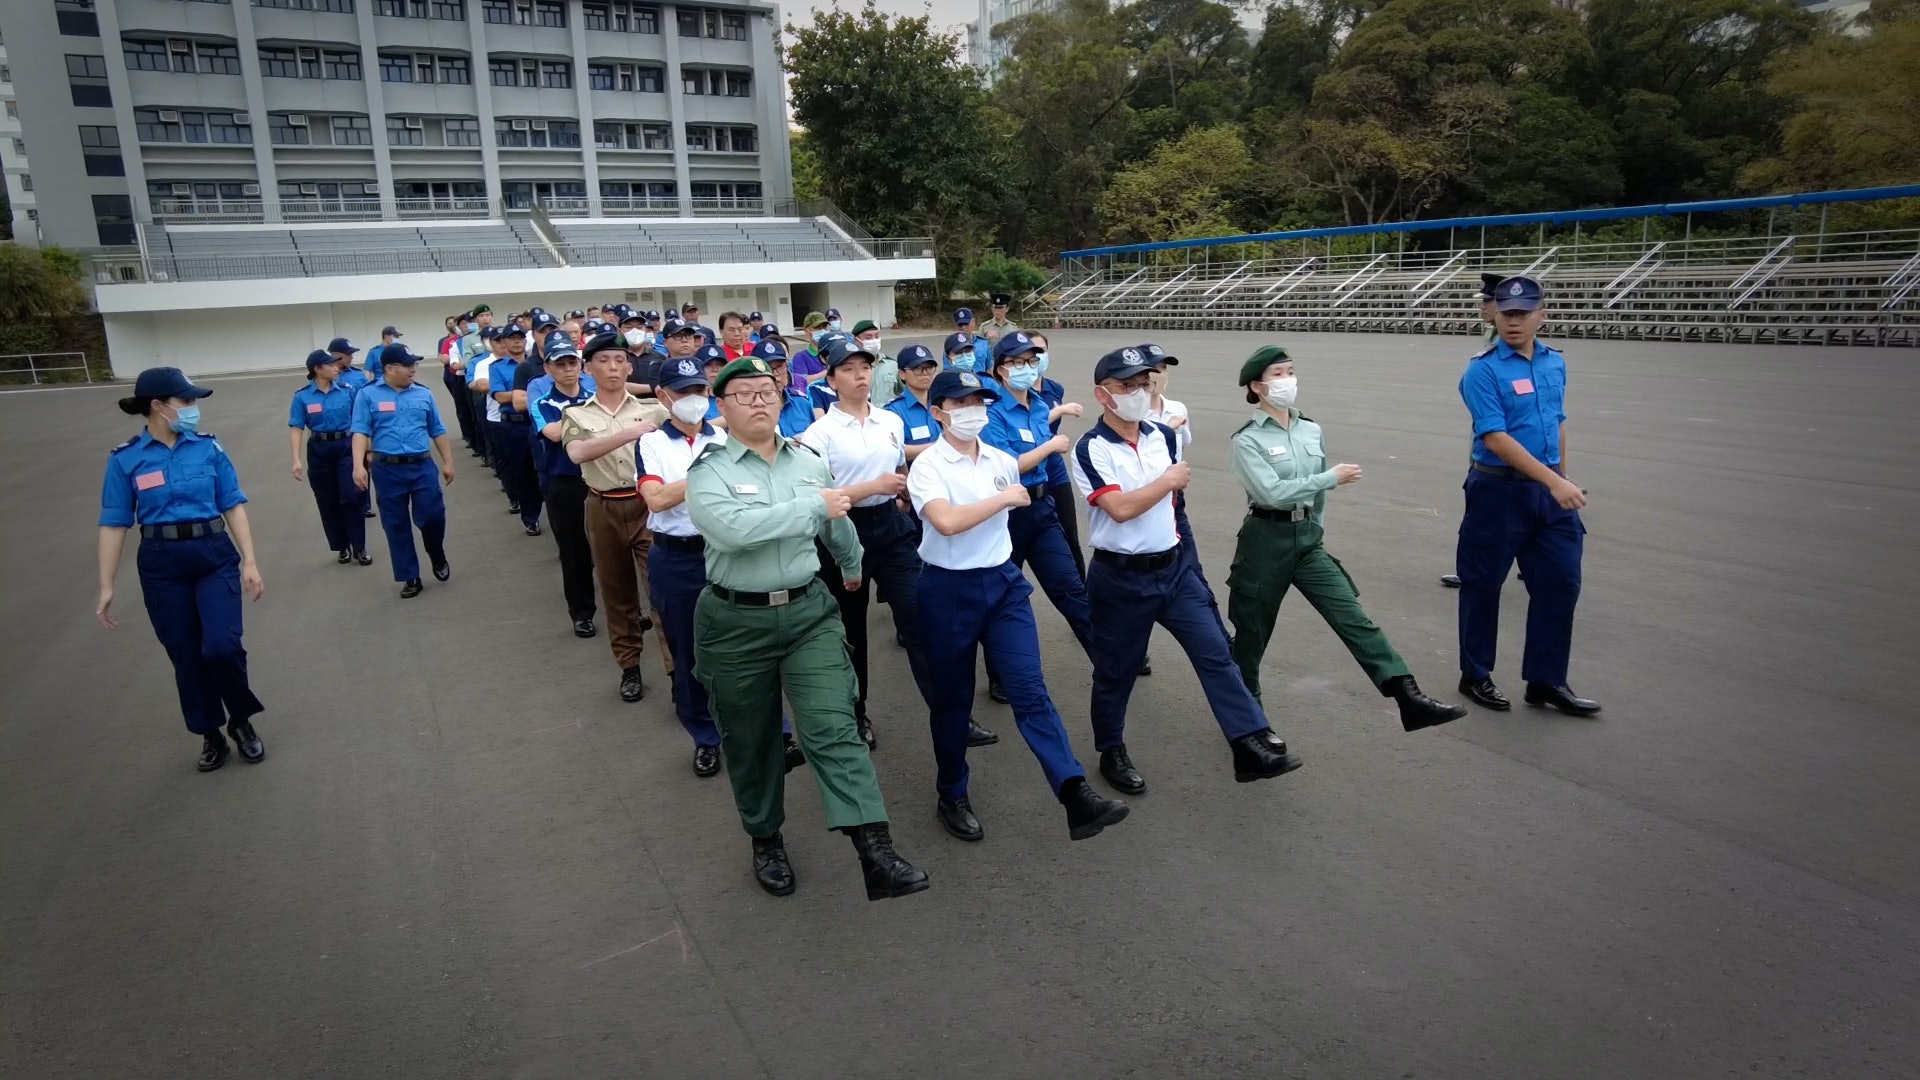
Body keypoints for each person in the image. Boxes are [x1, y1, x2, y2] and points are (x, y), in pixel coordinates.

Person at [686, 355, 930, 902]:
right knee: (751, 743)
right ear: (721, 407)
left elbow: (836, 518)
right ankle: (765, 837)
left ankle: (876, 849)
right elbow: (733, 532)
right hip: (734, 621)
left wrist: (851, 564)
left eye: (767, 392)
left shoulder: (807, 461)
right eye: (743, 394)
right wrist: (813, 506)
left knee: (834, 725)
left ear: (782, 400)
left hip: (807, 613)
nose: (758, 401)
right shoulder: (710, 470)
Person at [909, 369, 1130, 843]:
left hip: (1003, 586)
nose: (972, 411)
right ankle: (952, 791)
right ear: (938, 412)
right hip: (948, 592)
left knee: (1031, 691)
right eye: (961, 403)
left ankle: (1073, 792)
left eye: (979, 402)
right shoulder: (929, 466)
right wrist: (1000, 499)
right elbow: (945, 522)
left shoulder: (1000, 460)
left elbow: (1014, 515)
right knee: (952, 703)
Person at [1071, 346, 1303, 794]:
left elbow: (1175, 509)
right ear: (1103, 394)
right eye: (1126, 386)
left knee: (1216, 652)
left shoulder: (1166, 436)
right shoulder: (1090, 449)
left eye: (1143, 383)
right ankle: (1111, 750)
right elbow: (1118, 508)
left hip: (1173, 570)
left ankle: (1247, 742)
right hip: (1120, 577)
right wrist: (1166, 482)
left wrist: (1185, 558)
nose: (1138, 392)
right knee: (1116, 671)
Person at [1226, 346, 1468, 732]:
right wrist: (1330, 478)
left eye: (1290, 371)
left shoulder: (1310, 429)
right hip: (1264, 540)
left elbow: (1317, 495)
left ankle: (1408, 696)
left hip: (1306, 539)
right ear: (1257, 386)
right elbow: (1271, 492)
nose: (1287, 380)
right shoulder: (1247, 440)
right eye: (1277, 375)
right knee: (1252, 637)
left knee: (1354, 618)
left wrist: (1315, 525)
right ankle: (1248, 721)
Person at [799, 338, 991, 752]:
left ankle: (952, 714)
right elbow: (816, 498)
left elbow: (899, 468)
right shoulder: (819, 433)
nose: (860, 376)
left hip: (892, 528)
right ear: (830, 379)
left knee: (921, 620)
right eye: (847, 369)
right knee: (850, 632)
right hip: (842, 534)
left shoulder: (890, 422)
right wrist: (873, 485)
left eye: (865, 368)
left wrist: (899, 492)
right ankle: (856, 714)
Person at [98, 367, 268, 772]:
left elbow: (232, 503)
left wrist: (250, 560)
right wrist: (106, 585)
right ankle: (210, 733)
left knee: (222, 647)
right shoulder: (126, 460)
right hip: (161, 564)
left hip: (213, 554)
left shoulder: (208, 448)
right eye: (187, 401)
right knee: (187, 656)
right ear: (158, 406)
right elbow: (114, 521)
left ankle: (241, 721)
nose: (193, 409)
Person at [1455, 276, 1600, 717]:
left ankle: (1546, 679)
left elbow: (1556, 420)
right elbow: (1496, 438)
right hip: (1498, 490)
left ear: (1542, 315)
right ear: (1494, 315)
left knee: (1560, 582)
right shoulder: (1482, 370)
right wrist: (1554, 482)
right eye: (1506, 313)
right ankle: (1475, 674)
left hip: (1549, 491)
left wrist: (1561, 474)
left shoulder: (1554, 362)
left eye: (1522, 313)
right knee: (1483, 584)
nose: (1513, 322)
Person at [981, 331, 1096, 704]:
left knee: (1070, 587)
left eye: (1031, 361)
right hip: (1007, 513)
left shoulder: (1037, 405)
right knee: (1002, 596)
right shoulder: (992, 410)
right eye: (1016, 362)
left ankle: (1107, 657)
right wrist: (1049, 446)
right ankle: (1000, 676)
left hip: (1042, 509)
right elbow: (1007, 464)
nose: (1026, 368)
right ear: (999, 369)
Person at [637, 355, 731, 776]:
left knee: (743, 645)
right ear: (662, 396)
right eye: (683, 391)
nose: (694, 399)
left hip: (725, 551)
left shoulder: (727, 440)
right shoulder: (652, 443)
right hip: (677, 557)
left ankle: (765, 727)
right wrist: (708, 474)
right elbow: (655, 499)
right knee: (689, 650)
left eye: (699, 390)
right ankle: (704, 736)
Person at [562, 328, 662, 703]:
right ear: (588, 369)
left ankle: (675, 668)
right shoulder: (575, 413)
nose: (613, 368)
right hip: (602, 505)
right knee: (616, 590)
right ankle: (629, 666)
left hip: (646, 504)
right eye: (603, 361)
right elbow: (577, 454)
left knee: (660, 587)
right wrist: (628, 434)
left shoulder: (653, 408)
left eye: (620, 360)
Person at [351, 345, 456, 598]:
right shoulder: (367, 395)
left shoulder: (423, 394)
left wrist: (448, 462)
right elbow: (360, 431)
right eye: (408, 365)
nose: (413, 370)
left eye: (414, 365)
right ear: (389, 368)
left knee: (432, 516)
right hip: (387, 469)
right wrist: (358, 465)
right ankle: (410, 575)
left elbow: (438, 429)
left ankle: (436, 552)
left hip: (421, 466)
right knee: (395, 525)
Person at [1441, 271, 1511, 590]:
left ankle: (1471, 571)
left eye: (1487, 301)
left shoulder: (1504, 348)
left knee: (1482, 519)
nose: (1481, 307)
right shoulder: (1494, 339)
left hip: (1496, 451)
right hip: (1495, 446)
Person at [529, 331, 599, 639]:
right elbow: (555, 434)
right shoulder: (543, 402)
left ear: (581, 366)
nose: (567, 369)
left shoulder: (596, 397)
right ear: (548, 369)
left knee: (613, 551)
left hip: (600, 479)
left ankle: (629, 610)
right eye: (560, 364)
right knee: (575, 554)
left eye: (572, 362)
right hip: (565, 484)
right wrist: (590, 424)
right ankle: (582, 613)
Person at [288, 348, 370, 566]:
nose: (337, 368)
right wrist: (296, 459)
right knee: (328, 500)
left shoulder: (347, 390)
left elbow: (361, 422)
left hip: (346, 445)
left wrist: (367, 452)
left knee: (352, 496)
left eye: (337, 364)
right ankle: (341, 546)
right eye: (331, 365)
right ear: (317, 369)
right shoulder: (302, 396)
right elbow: (296, 427)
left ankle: (359, 547)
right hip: (319, 449)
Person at [1025, 332, 1088, 580]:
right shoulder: (1011, 392)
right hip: (1025, 469)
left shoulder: (1054, 388)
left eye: (1041, 351)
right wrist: (1060, 410)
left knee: (1070, 533)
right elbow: (1031, 426)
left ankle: (1083, 592)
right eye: (1030, 354)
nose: (1036, 357)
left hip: (1054, 468)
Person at [489, 326, 544, 536]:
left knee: (543, 470)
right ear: (504, 342)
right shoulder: (498, 367)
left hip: (536, 421)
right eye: (511, 339)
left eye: (520, 338)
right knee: (523, 472)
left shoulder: (536, 364)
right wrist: (528, 391)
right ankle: (530, 518)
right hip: (514, 424)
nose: (517, 342)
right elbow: (500, 396)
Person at [883, 344, 943, 461]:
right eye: (917, 369)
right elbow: (892, 451)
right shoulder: (894, 411)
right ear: (902, 374)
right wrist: (937, 447)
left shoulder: (942, 403)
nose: (925, 373)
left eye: (929, 368)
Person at [756, 337, 815, 437]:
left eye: (779, 366)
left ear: (787, 367)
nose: (775, 373)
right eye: (768, 368)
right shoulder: (750, 409)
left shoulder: (802, 403)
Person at [852, 320, 898, 406]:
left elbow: (902, 393)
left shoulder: (892, 365)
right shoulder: (850, 367)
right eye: (868, 338)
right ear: (856, 340)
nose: (874, 341)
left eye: (876, 336)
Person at [791, 313, 829, 386]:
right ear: (807, 331)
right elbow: (801, 381)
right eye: (818, 328)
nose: (822, 331)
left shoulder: (835, 351)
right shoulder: (801, 357)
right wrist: (827, 373)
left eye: (824, 327)